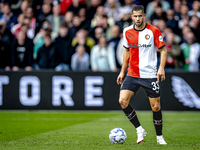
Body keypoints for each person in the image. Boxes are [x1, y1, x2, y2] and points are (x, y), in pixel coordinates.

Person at [117, 5, 167, 144]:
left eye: (140, 16)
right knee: (122, 101)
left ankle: (159, 137)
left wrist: (161, 68)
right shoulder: (127, 31)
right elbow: (126, 52)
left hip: (150, 74)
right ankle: (139, 129)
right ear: (132, 17)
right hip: (132, 73)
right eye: (135, 16)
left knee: (156, 106)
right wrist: (122, 72)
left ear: (144, 16)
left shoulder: (153, 31)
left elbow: (163, 50)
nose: (138, 18)